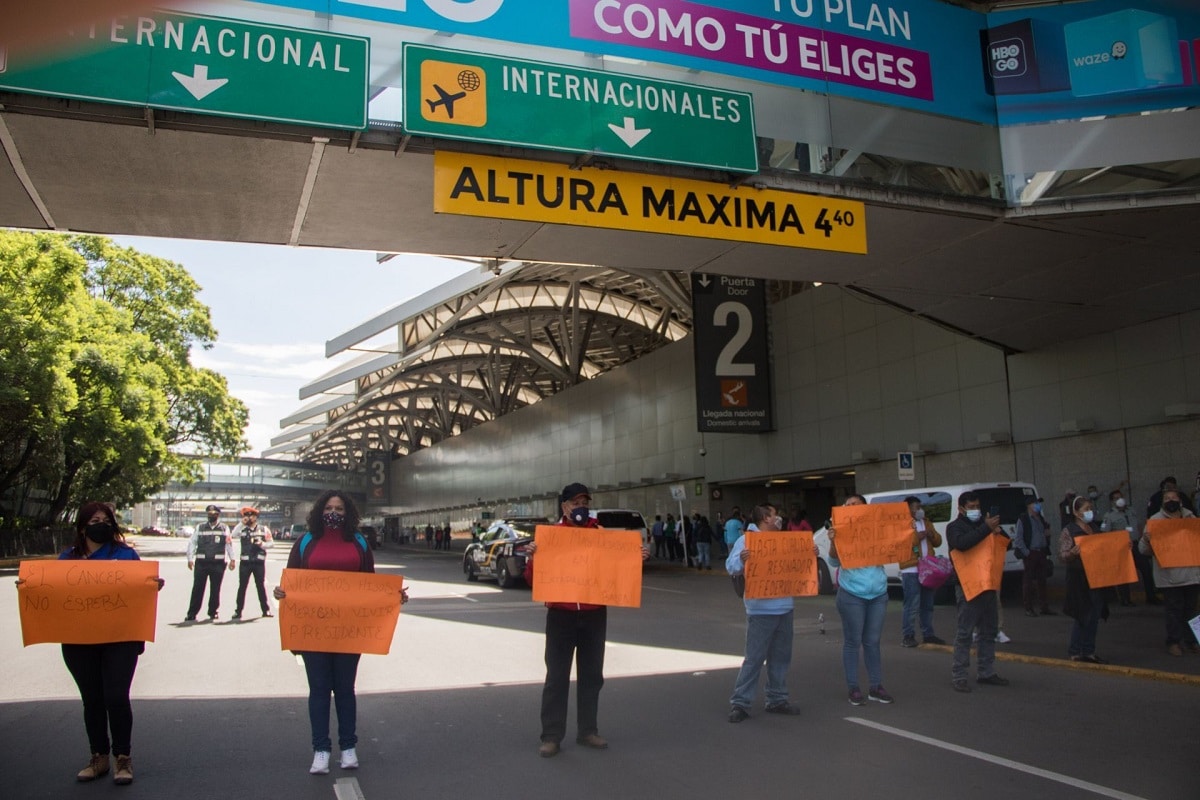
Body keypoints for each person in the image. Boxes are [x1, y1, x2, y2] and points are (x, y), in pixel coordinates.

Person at [273, 490, 407, 775]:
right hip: (313, 630)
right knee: (319, 690)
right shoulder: (306, 541)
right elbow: (292, 578)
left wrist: (393, 596)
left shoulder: (359, 541)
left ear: (348, 513)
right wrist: (281, 592)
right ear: (320, 510)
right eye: (329, 507)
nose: (334, 512)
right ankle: (320, 749)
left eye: (340, 508)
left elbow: (370, 584)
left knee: (345, 690)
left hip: (348, 630)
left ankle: (348, 747)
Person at [31, 502, 165, 785]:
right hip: (80, 641)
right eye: (94, 519)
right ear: (82, 526)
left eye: (106, 519)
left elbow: (139, 592)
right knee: (92, 700)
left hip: (120, 639)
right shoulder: (68, 559)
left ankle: (123, 758)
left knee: (116, 697)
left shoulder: (126, 556)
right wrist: (30, 586)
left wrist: (152, 585)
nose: (100, 524)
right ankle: (99, 756)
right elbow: (51, 592)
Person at [523, 482, 649, 757]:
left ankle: (587, 731)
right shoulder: (551, 536)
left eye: (585, 503)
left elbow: (618, 570)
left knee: (592, 676)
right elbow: (533, 581)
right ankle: (551, 736)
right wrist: (533, 559)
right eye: (576, 503)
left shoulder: (601, 534)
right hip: (561, 616)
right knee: (556, 677)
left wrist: (635, 558)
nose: (581, 508)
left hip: (593, 615)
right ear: (564, 507)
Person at [726, 504, 806, 722]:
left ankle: (777, 699)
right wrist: (741, 560)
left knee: (780, 657)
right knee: (754, 658)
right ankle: (740, 703)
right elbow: (731, 567)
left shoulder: (783, 540)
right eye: (774, 514)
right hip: (760, 609)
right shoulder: (747, 540)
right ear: (765, 518)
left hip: (785, 607)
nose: (778, 517)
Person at [829, 495, 894, 705]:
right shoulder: (841, 530)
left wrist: (905, 531)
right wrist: (833, 541)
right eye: (846, 505)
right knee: (853, 642)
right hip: (852, 595)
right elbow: (833, 560)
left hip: (878, 594)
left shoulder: (878, 529)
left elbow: (893, 549)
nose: (850, 508)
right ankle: (853, 688)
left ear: (865, 508)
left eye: (854, 505)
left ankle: (876, 686)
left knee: (873, 642)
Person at [947, 491, 1009, 692]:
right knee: (965, 632)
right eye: (971, 507)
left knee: (988, 631)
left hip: (988, 583)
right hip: (968, 585)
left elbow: (1006, 544)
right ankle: (959, 675)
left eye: (977, 506)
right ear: (961, 508)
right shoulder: (955, 527)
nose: (975, 510)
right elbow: (962, 544)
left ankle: (986, 671)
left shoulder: (985, 523)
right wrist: (986, 528)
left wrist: (997, 531)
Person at [1139, 489, 1200, 657]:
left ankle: (1193, 641)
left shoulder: (1191, 518)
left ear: (1180, 501)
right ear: (1162, 502)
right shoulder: (1155, 521)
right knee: (1174, 610)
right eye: (1167, 498)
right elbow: (1143, 550)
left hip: (1192, 573)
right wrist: (1146, 539)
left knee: (1192, 610)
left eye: (1174, 497)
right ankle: (1173, 641)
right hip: (1169, 577)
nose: (1170, 500)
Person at [1059, 495, 1108, 663]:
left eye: (1090, 508)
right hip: (1078, 577)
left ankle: (1089, 650)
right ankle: (1075, 650)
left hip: (1095, 575)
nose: (1089, 512)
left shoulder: (1095, 528)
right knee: (1082, 614)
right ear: (1076, 512)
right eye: (1085, 509)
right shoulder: (1069, 530)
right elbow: (1062, 555)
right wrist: (1071, 553)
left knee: (1094, 614)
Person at [898, 495, 945, 647]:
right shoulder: (903, 525)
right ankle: (908, 635)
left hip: (928, 568)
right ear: (908, 509)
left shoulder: (926, 523)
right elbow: (903, 544)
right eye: (916, 507)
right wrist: (916, 537)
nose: (920, 510)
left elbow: (938, 541)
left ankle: (928, 634)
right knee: (912, 604)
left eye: (920, 507)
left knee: (927, 603)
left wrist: (931, 534)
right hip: (911, 569)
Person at [185, 504, 233, 621]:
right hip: (202, 563)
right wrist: (190, 559)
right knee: (197, 588)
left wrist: (232, 559)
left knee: (215, 589)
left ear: (218, 515)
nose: (211, 516)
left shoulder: (224, 528)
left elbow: (228, 544)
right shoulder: (200, 527)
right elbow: (192, 543)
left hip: (218, 563)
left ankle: (213, 611)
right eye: (209, 514)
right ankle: (192, 613)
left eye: (213, 514)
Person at [1012, 496, 1055, 617]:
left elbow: (1044, 534)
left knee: (1042, 580)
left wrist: (1047, 537)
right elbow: (1018, 539)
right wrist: (1027, 553)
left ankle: (1044, 607)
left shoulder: (1040, 518)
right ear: (1029, 506)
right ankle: (1028, 607)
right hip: (1031, 553)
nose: (1038, 505)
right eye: (1035, 503)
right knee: (1028, 581)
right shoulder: (1024, 519)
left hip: (1041, 552)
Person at [232, 506, 274, 620]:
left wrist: (262, 544)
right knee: (242, 587)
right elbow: (233, 535)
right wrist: (241, 523)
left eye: (251, 516)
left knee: (260, 586)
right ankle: (238, 611)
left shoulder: (264, 529)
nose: (248, 518)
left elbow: (271, 544)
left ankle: (266, 610)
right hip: (245, 563)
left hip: (258, 563)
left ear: (256, 517)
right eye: (246, 516)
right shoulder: (242, 529)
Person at [1101, 489, 1139, 607]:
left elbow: (1137, 525)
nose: (1120, 499)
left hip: (1135, 543)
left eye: (1121, 497)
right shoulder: (1109, 515)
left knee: (1146, 569)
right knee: (1124, 574)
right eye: (1116, 498)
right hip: (1122, 547)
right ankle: (1125, 599)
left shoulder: (1131, 510)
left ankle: (1151, 596)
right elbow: (1105, 532)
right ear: (1112, 501)